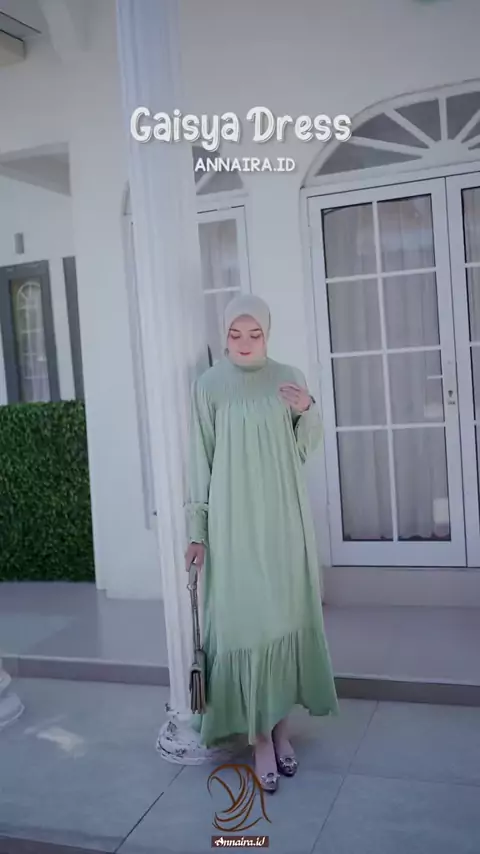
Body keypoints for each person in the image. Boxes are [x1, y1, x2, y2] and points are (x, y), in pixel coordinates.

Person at [185, 294, 339, 793]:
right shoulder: (209, 386)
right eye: (235, 334)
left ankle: (281, 730)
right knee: (248, 628)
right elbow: (200, 459)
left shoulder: (288, 376)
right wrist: (197, 531)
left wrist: (308, 409)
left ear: (267, 334)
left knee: (282, 624)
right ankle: (259, 741)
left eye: (255, 334)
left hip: (282, 520)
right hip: (233, 524)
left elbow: (303, 447)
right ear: (224, 335)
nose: (245, 343)